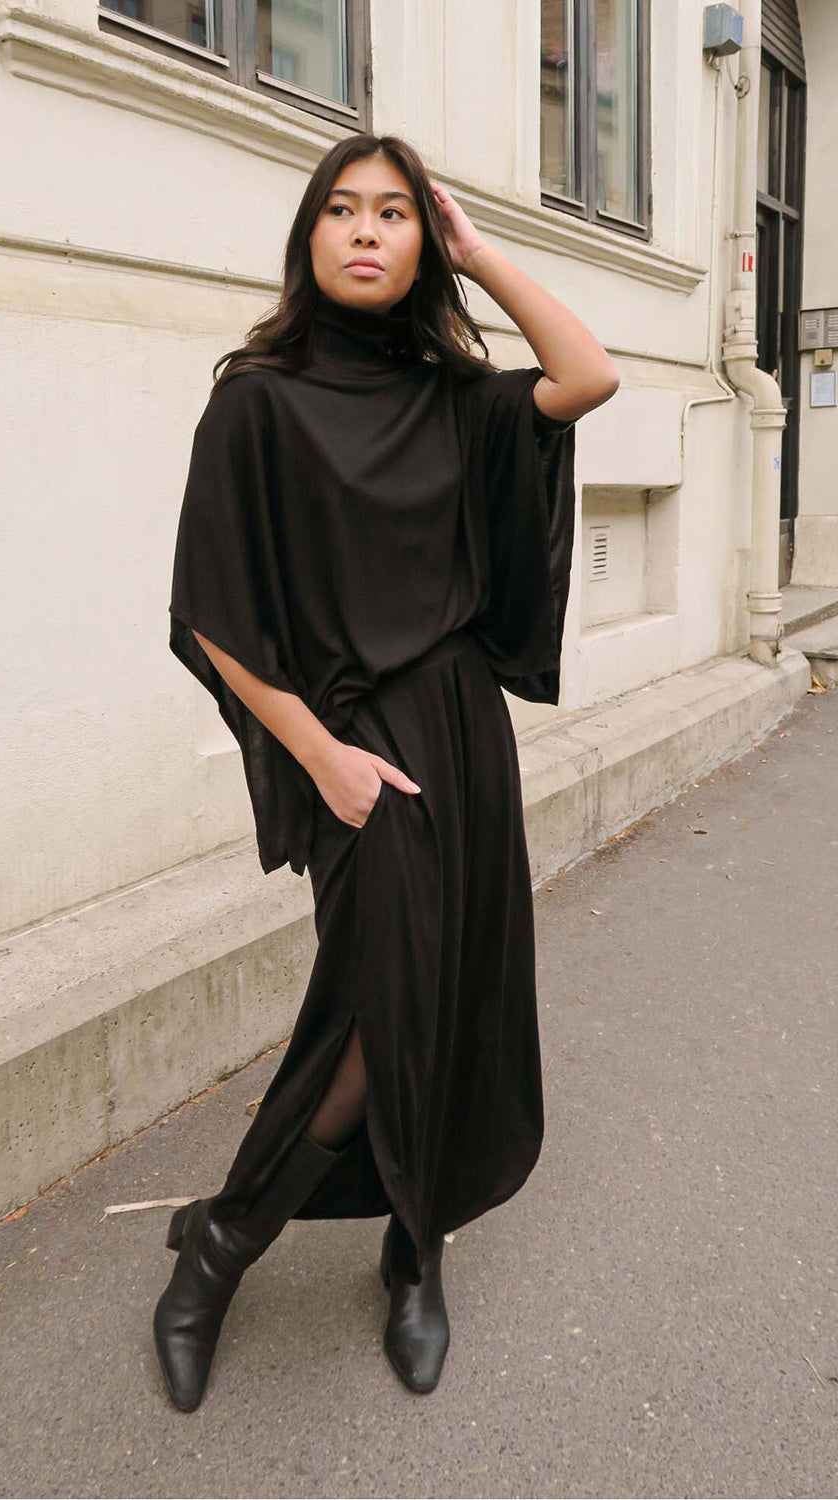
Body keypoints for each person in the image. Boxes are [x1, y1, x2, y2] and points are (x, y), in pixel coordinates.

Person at [155, 133, 619, 1412]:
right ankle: (220, 1249)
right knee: (374, 1012)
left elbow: (587, 377)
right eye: (343, 211)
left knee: (458, 991)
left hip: (462, 733)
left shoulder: (453, 396)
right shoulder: (256, 399)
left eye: (397, 215)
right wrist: (323, 760)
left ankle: (413, 1256)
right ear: (308, 237)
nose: (367, 231)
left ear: (423, 243)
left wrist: (484, 255)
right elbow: (211, 612)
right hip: (354, 748)